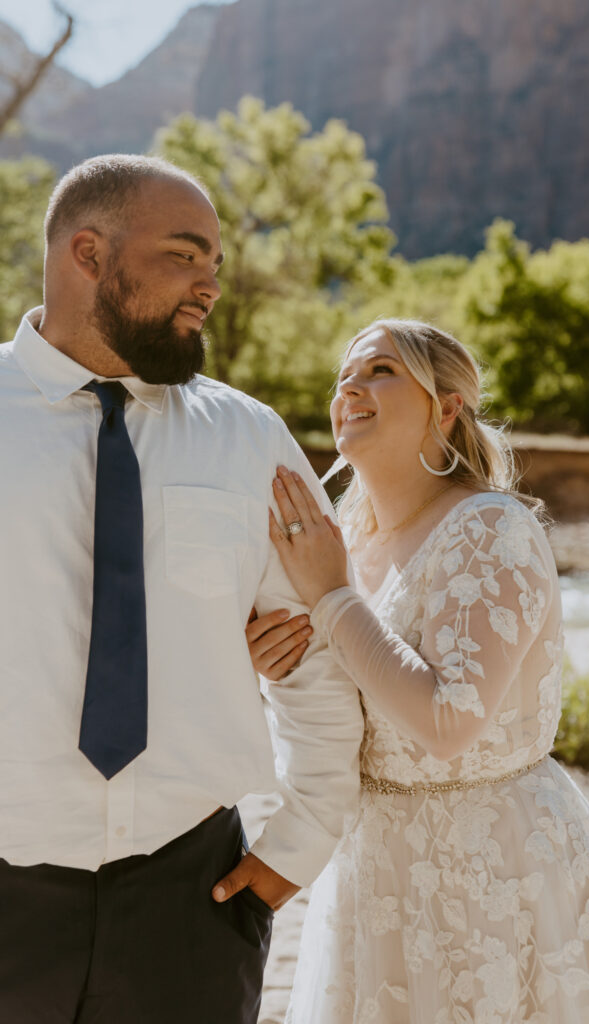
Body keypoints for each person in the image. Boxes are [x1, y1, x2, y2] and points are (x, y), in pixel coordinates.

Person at [0, 154, 364, 1024]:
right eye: (184, 255)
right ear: (87, 253)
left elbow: (318, 652)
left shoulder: (248, 437)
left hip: (191, 904)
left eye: (217, 266)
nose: (209, 286)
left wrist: (296, 847)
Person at [248, 319, 589, 1023]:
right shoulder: (343, 539)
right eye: (343, 377)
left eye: (381, 370)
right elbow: (335, 702)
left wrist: (329, 598)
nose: (349, 387)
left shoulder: (489, 529)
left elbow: (447, 722)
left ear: (446, 408)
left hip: (496, 868)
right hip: (374, 867)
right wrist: (271, 668)